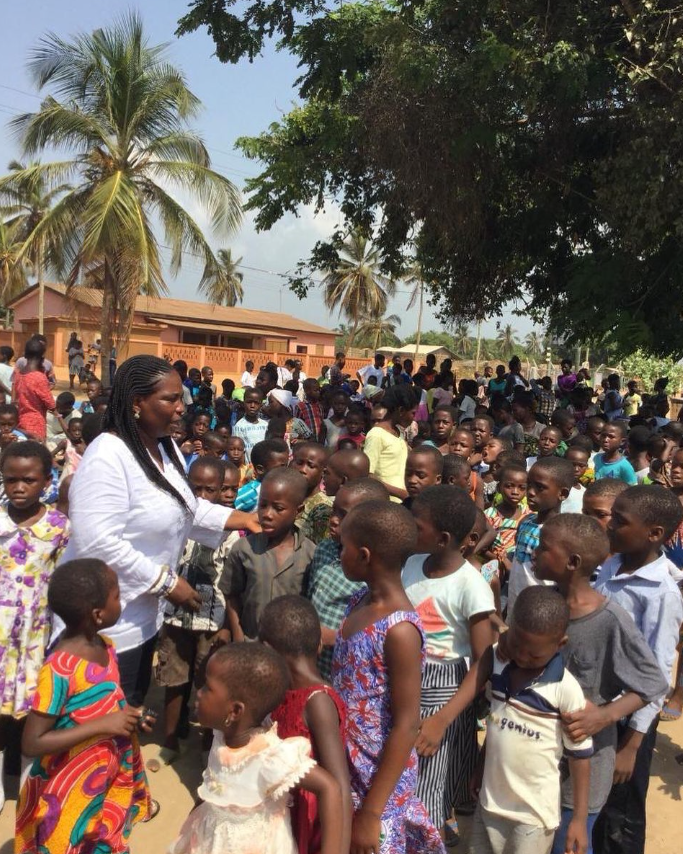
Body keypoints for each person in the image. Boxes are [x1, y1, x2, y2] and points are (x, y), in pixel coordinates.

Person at [61, 355, 259, 710]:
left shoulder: (164, 448)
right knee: (98, 722)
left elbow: (182, 508)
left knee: (129, 707)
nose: (181, 408)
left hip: (142, 616)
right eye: (170, 399)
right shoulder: (108, 455)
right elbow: (98, 543)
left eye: (180, 398)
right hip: (104, 629)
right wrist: (167, 583)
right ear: (137, 403)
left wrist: (241, 520)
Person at [533, 514, 668, 854]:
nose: (534, 551)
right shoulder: (540, 605)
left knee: (570, 842)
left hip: (581, 772)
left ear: (572, 562)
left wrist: (604, 716)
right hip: (535, 763)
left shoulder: (609, 619)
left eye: (543, 547)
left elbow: (653, 682)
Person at [16, 560, 152, 853]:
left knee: (105, 836)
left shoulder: (106, 646)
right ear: (97, 614)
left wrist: (130, 717)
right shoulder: (58, 670)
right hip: (70, 786)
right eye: (116, 595)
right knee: (71, 840)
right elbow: (32, 742)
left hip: (107, 771)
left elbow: (105, 701)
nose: (122, 599)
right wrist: (104, 725)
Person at [332, 501, 445, 853]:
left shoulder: (400, 630)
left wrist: (371, 812)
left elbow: (407, 724)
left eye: (342, 547)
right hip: (347, 768)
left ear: (364, 555)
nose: (339, 554)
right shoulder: (359, 602)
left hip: (376, 781)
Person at [449, 587, 593, 854]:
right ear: (509, 630)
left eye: (535, 655)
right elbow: (497, 724)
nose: (523, 658)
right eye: (516, 646)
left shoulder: (565, 689)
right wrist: (481, 767)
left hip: (533, 818)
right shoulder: (500, 663)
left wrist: (580, 819)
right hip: (489, 803)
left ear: (560, 644)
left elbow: (580, 758)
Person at [169, 643, 342, 854]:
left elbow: (329, 787)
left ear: (234, 711)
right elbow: (215, 783)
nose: (198, 693)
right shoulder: (220, 736)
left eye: (207, 687)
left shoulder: (269, 757)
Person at [592, 486, 683, 854]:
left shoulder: (662, 591)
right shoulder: (612, 565)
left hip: (629, 720)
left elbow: (658, 673)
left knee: (622, 812)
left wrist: (633, 744)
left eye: (619, 520)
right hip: (598, 705)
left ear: (655, 534)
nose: (609, 525)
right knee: (597, 799)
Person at [404, 486, 495, 831]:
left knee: (428, 787)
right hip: (408, 681)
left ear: (442, 538)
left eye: (417, 526)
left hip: (444, 691)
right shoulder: (411, 564)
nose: (409, 530)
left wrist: (443, 719)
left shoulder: (471, 586)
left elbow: (483, 661)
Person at [152, 457, 239, 770]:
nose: (202, 496)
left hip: (212, 622)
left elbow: (232, 587)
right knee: (175, 679)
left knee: (208, 682)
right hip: (174, 617)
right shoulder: (175, 521)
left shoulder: (231, 530)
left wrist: (228, 626)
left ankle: (206, 745)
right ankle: (171, 739)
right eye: (196, 487)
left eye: (210, 489)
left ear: (221, 491)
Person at [0, 441, 70, 809]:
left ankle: (29, 786)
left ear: (46, 481)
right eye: (11, 479)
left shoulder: (58, 528)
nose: (19, 487)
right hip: (0, 636)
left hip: (36, 637)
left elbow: (62, 582)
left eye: (28, 480)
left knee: (33, 713)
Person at [260, 596, 352, 854]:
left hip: (310, 822)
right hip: (283, 813)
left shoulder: (317, 701)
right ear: (320, 645)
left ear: (267, 650)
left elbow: (340, 785)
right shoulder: (279, 692)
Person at [307, 478, 389, 680]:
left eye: (343, 516)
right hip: (311, 665)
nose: (333, 519)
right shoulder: (324, 549)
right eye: (334, 511)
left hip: (345, 672)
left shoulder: (373, 571)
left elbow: (379, 633)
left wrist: (335, 637)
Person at [222, 468, 315, 640]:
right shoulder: (243, 548)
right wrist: (237, 634)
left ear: (298, 511)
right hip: (250, 644)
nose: (267, 514)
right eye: (263, 505)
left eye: (278, 508)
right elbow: (232, 594)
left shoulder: (311, 554)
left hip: (290, 650)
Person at [507, 456, 573, 615]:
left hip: (541, 611)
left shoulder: (562, 533)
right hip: (515, 603)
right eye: (529, 484)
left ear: (562, 493)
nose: (530, 492)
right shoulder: (526, 521)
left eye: (540, 488)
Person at [364, 384, 418, 501]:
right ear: (401, 411)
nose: (414, 418)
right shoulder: (376, 434)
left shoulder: (399, 433)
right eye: (413, 413)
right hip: (385, 503)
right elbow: (368, 474)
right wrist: (400, 493)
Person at [483, 464, 529, 569]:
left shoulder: (529, 514)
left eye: (522, 488)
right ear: (499, 488)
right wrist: (500, 560)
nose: (515, 492)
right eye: (509, 486)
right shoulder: (489, 515)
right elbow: (482, 548)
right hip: (496, 566)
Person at [13, 339, 56, 441]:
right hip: (36, 424)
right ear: (42, 358)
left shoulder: (19, 375)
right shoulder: (39, 377)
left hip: (21, 421)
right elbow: (51, 404)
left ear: (25, 355)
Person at [292, 441, 333, 544]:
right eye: (299, 463)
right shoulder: (288, 497)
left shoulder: (323, 507)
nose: (302, 470)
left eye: (310, 466)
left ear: (323, 472)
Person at [233, 387, 268, 463]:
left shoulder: (266, 425)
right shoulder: (239, 426)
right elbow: (239, 451)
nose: (252, 405)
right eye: (249, 402)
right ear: (243, 403)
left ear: (261, 405)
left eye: (256, 403)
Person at [404, 445, 444, 510]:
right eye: (408, 474)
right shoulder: (403, 510)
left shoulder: (445, 512)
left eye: (421, 476)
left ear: (438, 479)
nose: (412, 480)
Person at [511, 391, 545, 458]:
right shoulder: (512, 428)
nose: (513, 413)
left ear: (528, 409)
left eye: (515, 410)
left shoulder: (542, 429)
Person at [296, 378, 326, 444]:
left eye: (319, 390)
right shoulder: (300, 406)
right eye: (316, 390)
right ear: (307, 391)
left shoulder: (320, 406)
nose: (318, 392)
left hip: (320, 442)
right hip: (306, 442)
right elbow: (296, 425)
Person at [562, 446, 590, 513]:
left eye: (581, 466)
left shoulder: (585, 492)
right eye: (572, 464)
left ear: (586, 467)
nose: (576, 469)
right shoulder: (556, 487)